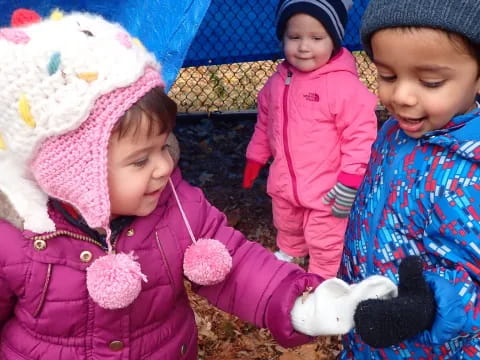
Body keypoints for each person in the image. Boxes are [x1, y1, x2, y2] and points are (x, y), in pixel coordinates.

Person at [0, 9, 397, 359]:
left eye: (164, 146)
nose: (163, 166)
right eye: (140, 159)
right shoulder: (13, 241)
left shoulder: (177, 209)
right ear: (68, 170)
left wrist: (301, 304)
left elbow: (237, 266)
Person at [339, 0, 480, 358]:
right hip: (368, 333)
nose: (400, 96)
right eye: (387, 75)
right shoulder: (393, 134)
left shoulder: (472, 169)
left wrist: (428, 306)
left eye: (430, 82)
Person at [242, 0, 378, 278]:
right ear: (282, 37)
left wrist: (350, 180)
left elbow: (361, 137)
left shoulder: (343, 87)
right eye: (294, 37)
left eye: (317, 38)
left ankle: (322, 281)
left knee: (324, 239)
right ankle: (290, 256)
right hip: (285, 182)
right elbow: (265, 122)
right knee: (287, 224)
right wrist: (256, 157)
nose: (304, 47)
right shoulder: (277, 82)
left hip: (328, 189)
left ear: (334, 40)